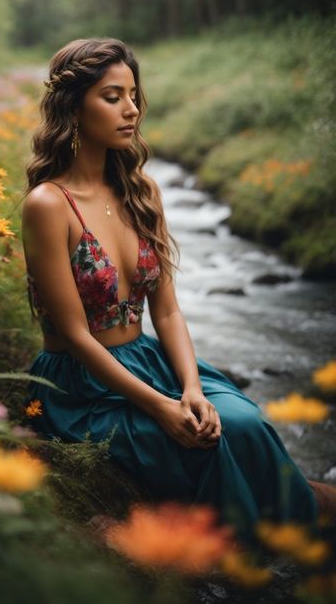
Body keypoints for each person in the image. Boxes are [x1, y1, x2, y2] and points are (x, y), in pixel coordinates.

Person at [22, 36, 331, 545]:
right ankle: (284, 531)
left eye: (133, 95)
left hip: (151, 359)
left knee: (242, 419)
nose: (132, 109)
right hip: (82, 385)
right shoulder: (48, 204)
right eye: (112, 96)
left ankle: (299, 516)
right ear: (73, 107)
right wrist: (159, 408)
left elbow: (165, 312)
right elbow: (77, 335)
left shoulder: (142, 192)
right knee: (203, 443)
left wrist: (187, 387)